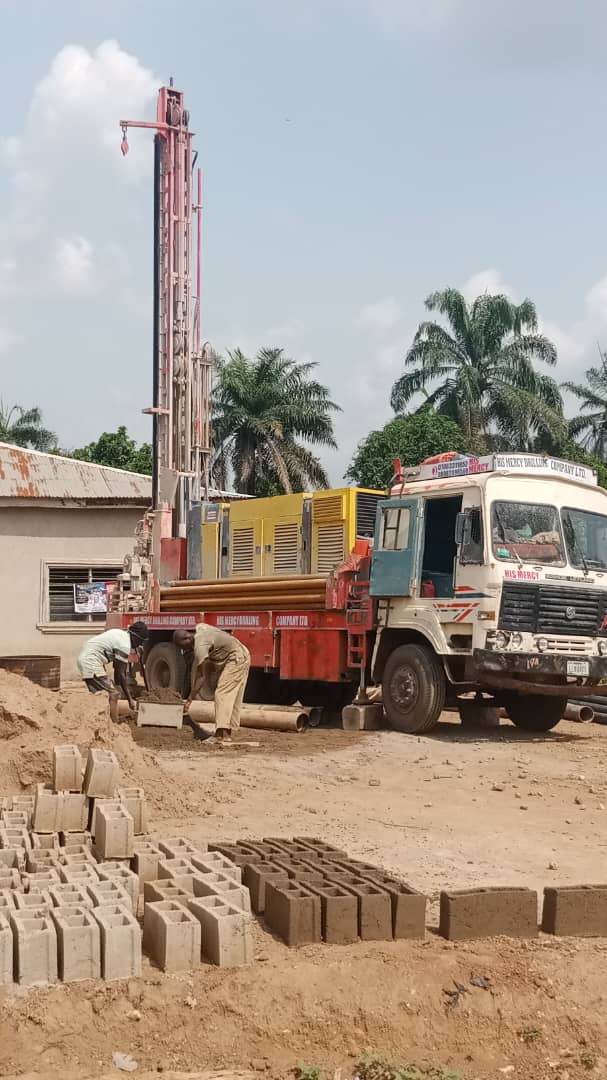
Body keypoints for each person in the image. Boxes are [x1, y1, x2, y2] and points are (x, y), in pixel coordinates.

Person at [173, 624, 251, 742]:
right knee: (231, 695)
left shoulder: (199, 645)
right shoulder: (200, 629)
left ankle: (222, 735)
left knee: (222, 693)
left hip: (237, 658)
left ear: (187, 639)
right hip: (242, 654)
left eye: (183, 647)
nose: (185, 650)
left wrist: (189, 700)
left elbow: (201, 676)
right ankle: (226, 731)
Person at [77, 621, 149, 712]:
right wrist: (130, 700)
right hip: (90, 661)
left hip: (87, 658)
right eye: (141, 641)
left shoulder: (120, 634)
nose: (140, 644)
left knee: (99, 695)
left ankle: (97, 718)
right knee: (113, 694)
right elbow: (121, 674)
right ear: (135, 638)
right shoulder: (124, 645)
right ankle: (114, 723)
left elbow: (117, 668)